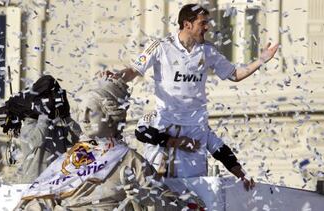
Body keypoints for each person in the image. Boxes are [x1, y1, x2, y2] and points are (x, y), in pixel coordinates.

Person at [105, 3, 279, 191]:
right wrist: (114, 77)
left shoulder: (208, 51)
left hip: (195, 122)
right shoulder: (161, 47)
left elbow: (235, 75)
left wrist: (262, 60)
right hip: (167, 118)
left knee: (195, 190)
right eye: (203, 23)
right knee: (154, 186)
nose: (207, 27)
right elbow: (134, 71)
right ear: (187, 24)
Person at [16, 78, 205, 211]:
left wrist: (145, 197)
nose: (83, 118)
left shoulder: (130, 160)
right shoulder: (71, 157)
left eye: (91, 111)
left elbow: (172, 204)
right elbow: (45, 196)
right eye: (81, 111)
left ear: (110, 116)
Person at [0, 75, 81, 183]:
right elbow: (36, 140)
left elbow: (79, 138)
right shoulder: (26, 129)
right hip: (34, 188)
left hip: (55, 185)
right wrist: (44, 114)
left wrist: (66, 117)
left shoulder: (55, 129)